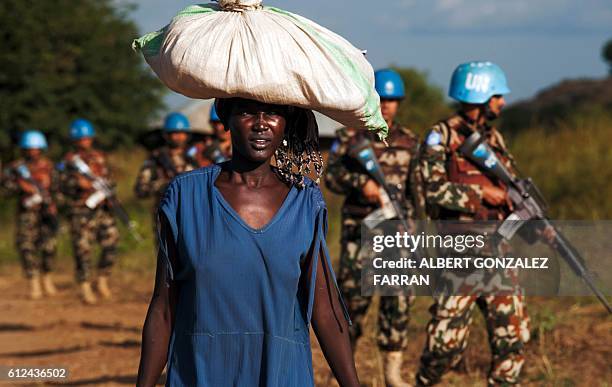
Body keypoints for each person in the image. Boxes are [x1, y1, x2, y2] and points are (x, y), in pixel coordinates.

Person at [137, 98, 359, 387]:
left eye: (274, 114)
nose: (261, 124)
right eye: (246, 112)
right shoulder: (186, 195)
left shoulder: (305, 202)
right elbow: (164, 306)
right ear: (225, 117)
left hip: (281, 374)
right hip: (202, 372)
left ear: (286, 123)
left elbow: (325, 309)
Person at [415, 61, 531, 386]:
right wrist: (481, 194)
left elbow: (509, 188)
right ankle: (424, 380)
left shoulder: (494, 139)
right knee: (445, 347)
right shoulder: (441, 137)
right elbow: (432, 190)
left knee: (514, 339)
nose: (502, 102)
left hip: (499, 250)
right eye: (497, 95)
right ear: (480, 95)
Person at [325, 69, 423, 387]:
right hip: (360, 233)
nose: (389, 106)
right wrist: (360, 183)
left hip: (398, 236)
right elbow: (332, 178)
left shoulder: (410, 141)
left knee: (398, 303)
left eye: (394, 100)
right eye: (384, 99)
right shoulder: (349, 137)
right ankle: (342, 372)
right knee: (352, 302)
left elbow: (417, 189)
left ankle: (392, 374)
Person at [60, 119, 120, 304]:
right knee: (83, 249)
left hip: (102, 209)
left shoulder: (100, 157)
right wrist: (76, 183)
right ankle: (85, 286)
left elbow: (109, 179)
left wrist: (108, 193)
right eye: (80, 138)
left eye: (87, 138)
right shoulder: (68, 162)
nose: (85, 141)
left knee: (111, 240)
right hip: (81, 211)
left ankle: (102, 279)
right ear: (74, 140)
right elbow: (59, 185)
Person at [2, 130, 59, 299]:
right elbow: (5, 190)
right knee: (26, 247)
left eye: (35, 148)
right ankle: (34, 282)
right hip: (26, 214)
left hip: (46, 213)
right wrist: (20, 187)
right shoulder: (16, 168)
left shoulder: (49, 166)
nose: (32, 152)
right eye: (29, 149)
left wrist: (54, 204)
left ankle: (47, 277)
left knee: (49, 247)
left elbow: (58, 188)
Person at [134, 112, 198, 202]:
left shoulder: (195, 155)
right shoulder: (156, 157)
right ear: (166, 135)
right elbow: (140, 189)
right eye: (175, 133)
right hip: (167, 209)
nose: (179, 137)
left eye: (182, 133)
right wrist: (162, 185)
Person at [187, 103, 232, 167]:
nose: (221, 127)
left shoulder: (244, 143)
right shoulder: (202, 147)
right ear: (212, 124)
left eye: (224, 121)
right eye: (217, 123)